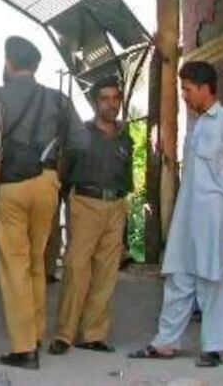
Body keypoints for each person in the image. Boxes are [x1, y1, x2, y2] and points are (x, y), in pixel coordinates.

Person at [0, 35, 85, 370]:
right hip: (47, 184)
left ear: (9, 62)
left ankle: (23, 348)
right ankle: (37, 334)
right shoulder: (58, 100)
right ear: (35, 66)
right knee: (34, 261)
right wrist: (58, 174)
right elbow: (80, 142)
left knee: (13, 267)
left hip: (10, 187)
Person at [129, 61, 223, 368]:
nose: (184, 96)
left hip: (216, 218)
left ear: (203, 87)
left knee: (214, 280)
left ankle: (212, 348)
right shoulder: (197, 125)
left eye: (187, 90)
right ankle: (165, 343)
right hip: (188, 217)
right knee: (179, 277)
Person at [48, 75, 134, 355]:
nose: (111, 104)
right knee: (76, 267)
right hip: (85, 202)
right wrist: (60, 204)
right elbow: (63, 171)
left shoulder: (125, 137)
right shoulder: (81, 135)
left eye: (115, 99)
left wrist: (123, 211)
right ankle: (64, 333)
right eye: (105, 99)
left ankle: (94, 334)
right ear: (96, 103)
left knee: (106, 273)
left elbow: (127, 177)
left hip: (116, 205)